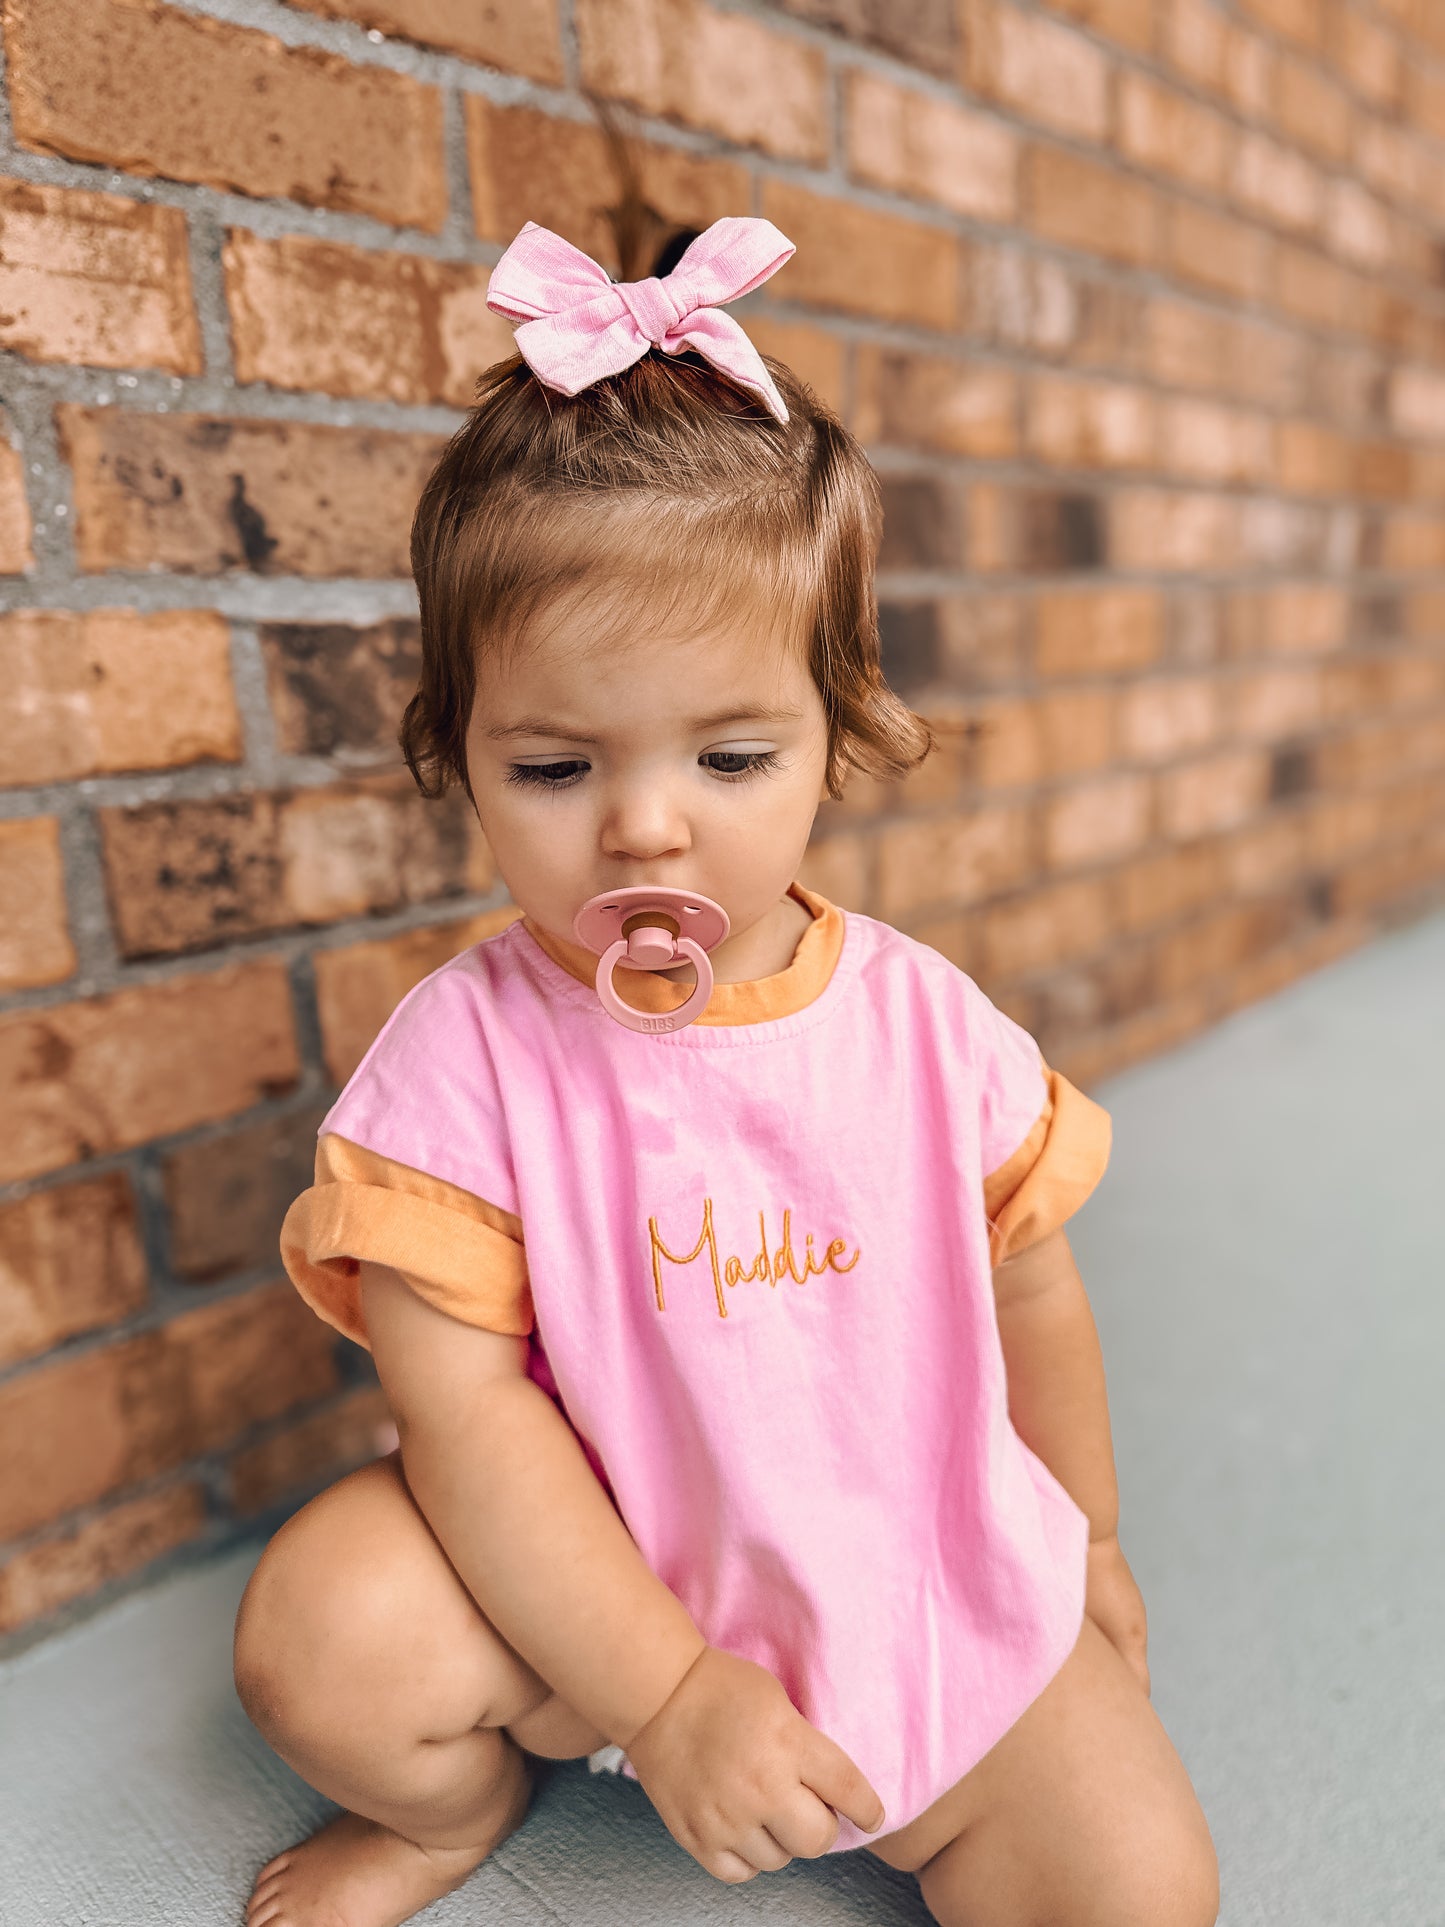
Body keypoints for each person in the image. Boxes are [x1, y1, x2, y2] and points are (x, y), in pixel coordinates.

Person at [233, 207, 1220, 1927]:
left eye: (731, 752)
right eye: (552, 768)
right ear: (454, 752)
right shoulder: (461, 1065)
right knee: (319, 1641)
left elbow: (1036, 1298)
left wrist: (1096, 1544)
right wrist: (668, 1696)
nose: (643, 824)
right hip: (584, 1592)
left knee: (1141, 1896)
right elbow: (462, 1419)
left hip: (904, 1573)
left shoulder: (920, 1026)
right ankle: (452, 1813)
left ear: (836, 735)